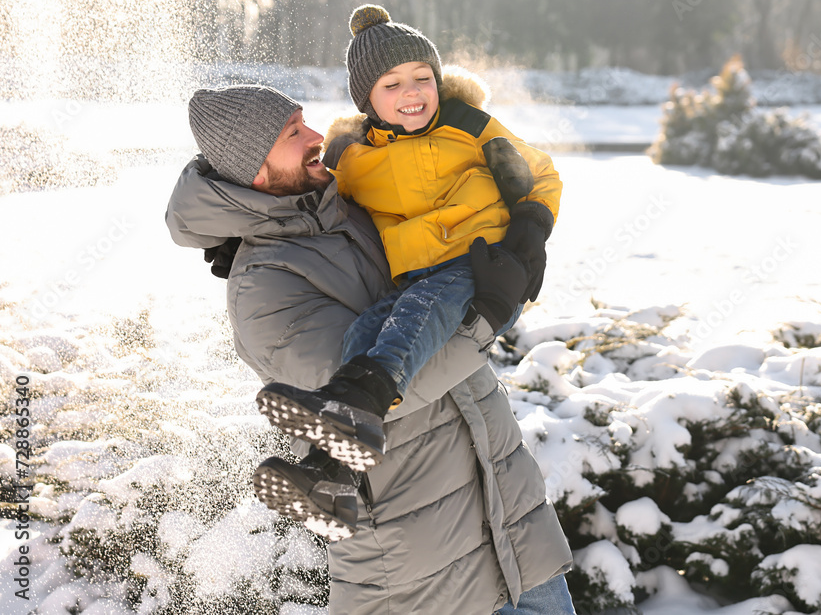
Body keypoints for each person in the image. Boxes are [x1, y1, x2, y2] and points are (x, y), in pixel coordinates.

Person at [166, 83, 576, 613]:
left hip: (513, 527)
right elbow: (376, 399)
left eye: (305, 121)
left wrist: (517, 228)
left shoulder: (353, 206)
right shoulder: (262, 288)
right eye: (293, 133)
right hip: (419, 574)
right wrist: (487, 317)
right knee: (366, 386)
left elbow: (442, 194)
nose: (316, 136)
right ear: (256, 174)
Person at [256, 4, 562, 484]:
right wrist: (244, 234)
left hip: (479, 264)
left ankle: (365, 398)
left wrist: (530, 230)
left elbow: (538, 172)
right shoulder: (352, 157)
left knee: (415, 316)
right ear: (367, 100)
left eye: (422, 77)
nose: (412, 92)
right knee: (365, 333)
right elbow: (312, 202)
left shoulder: (469, 125)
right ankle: (330, 471)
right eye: (391, 84)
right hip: (411, 275)